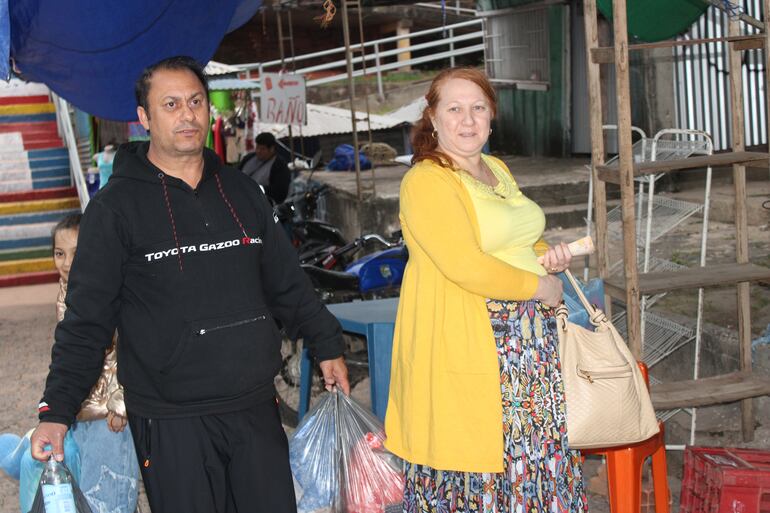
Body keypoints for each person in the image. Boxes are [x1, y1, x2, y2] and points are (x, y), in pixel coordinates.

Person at [29, 55, 349, 513]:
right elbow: (86, 321)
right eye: (171, 104)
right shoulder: (115, 209)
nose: (187, 115)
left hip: (253, 405)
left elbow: (287, 282)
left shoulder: (241, 191)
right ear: (144, 118)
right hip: (170, 419)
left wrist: (327, 342)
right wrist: (56, 411)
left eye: (196, 101)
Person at [383, 67, 587, 512]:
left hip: (527, 347)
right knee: (479, 471)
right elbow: (465, 264)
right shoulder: (427, 181)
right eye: (454, 109)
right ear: (432, 118)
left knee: (533, 461)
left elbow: (518, 238)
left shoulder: (496, 168)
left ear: (492, 117)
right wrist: (539, 286)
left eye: (478, 108)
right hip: (472, 341)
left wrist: (547, 257)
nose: (468, 120)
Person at [20, 213, 140, 513]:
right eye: (59, 253)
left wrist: (121, 402)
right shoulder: (65, 292)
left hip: (110, 417)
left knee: (107, 497)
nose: (67, 262)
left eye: (77, 252)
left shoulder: (109, 293)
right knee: (87, 492)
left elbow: (129, 349)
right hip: (81, 412)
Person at [239, 132, 291, 204]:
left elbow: (280, 192)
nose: (258, 151)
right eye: (257, 147)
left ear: (271, 149)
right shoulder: (248, 158)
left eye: (262, 149)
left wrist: (257, 188)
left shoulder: (279, 165)